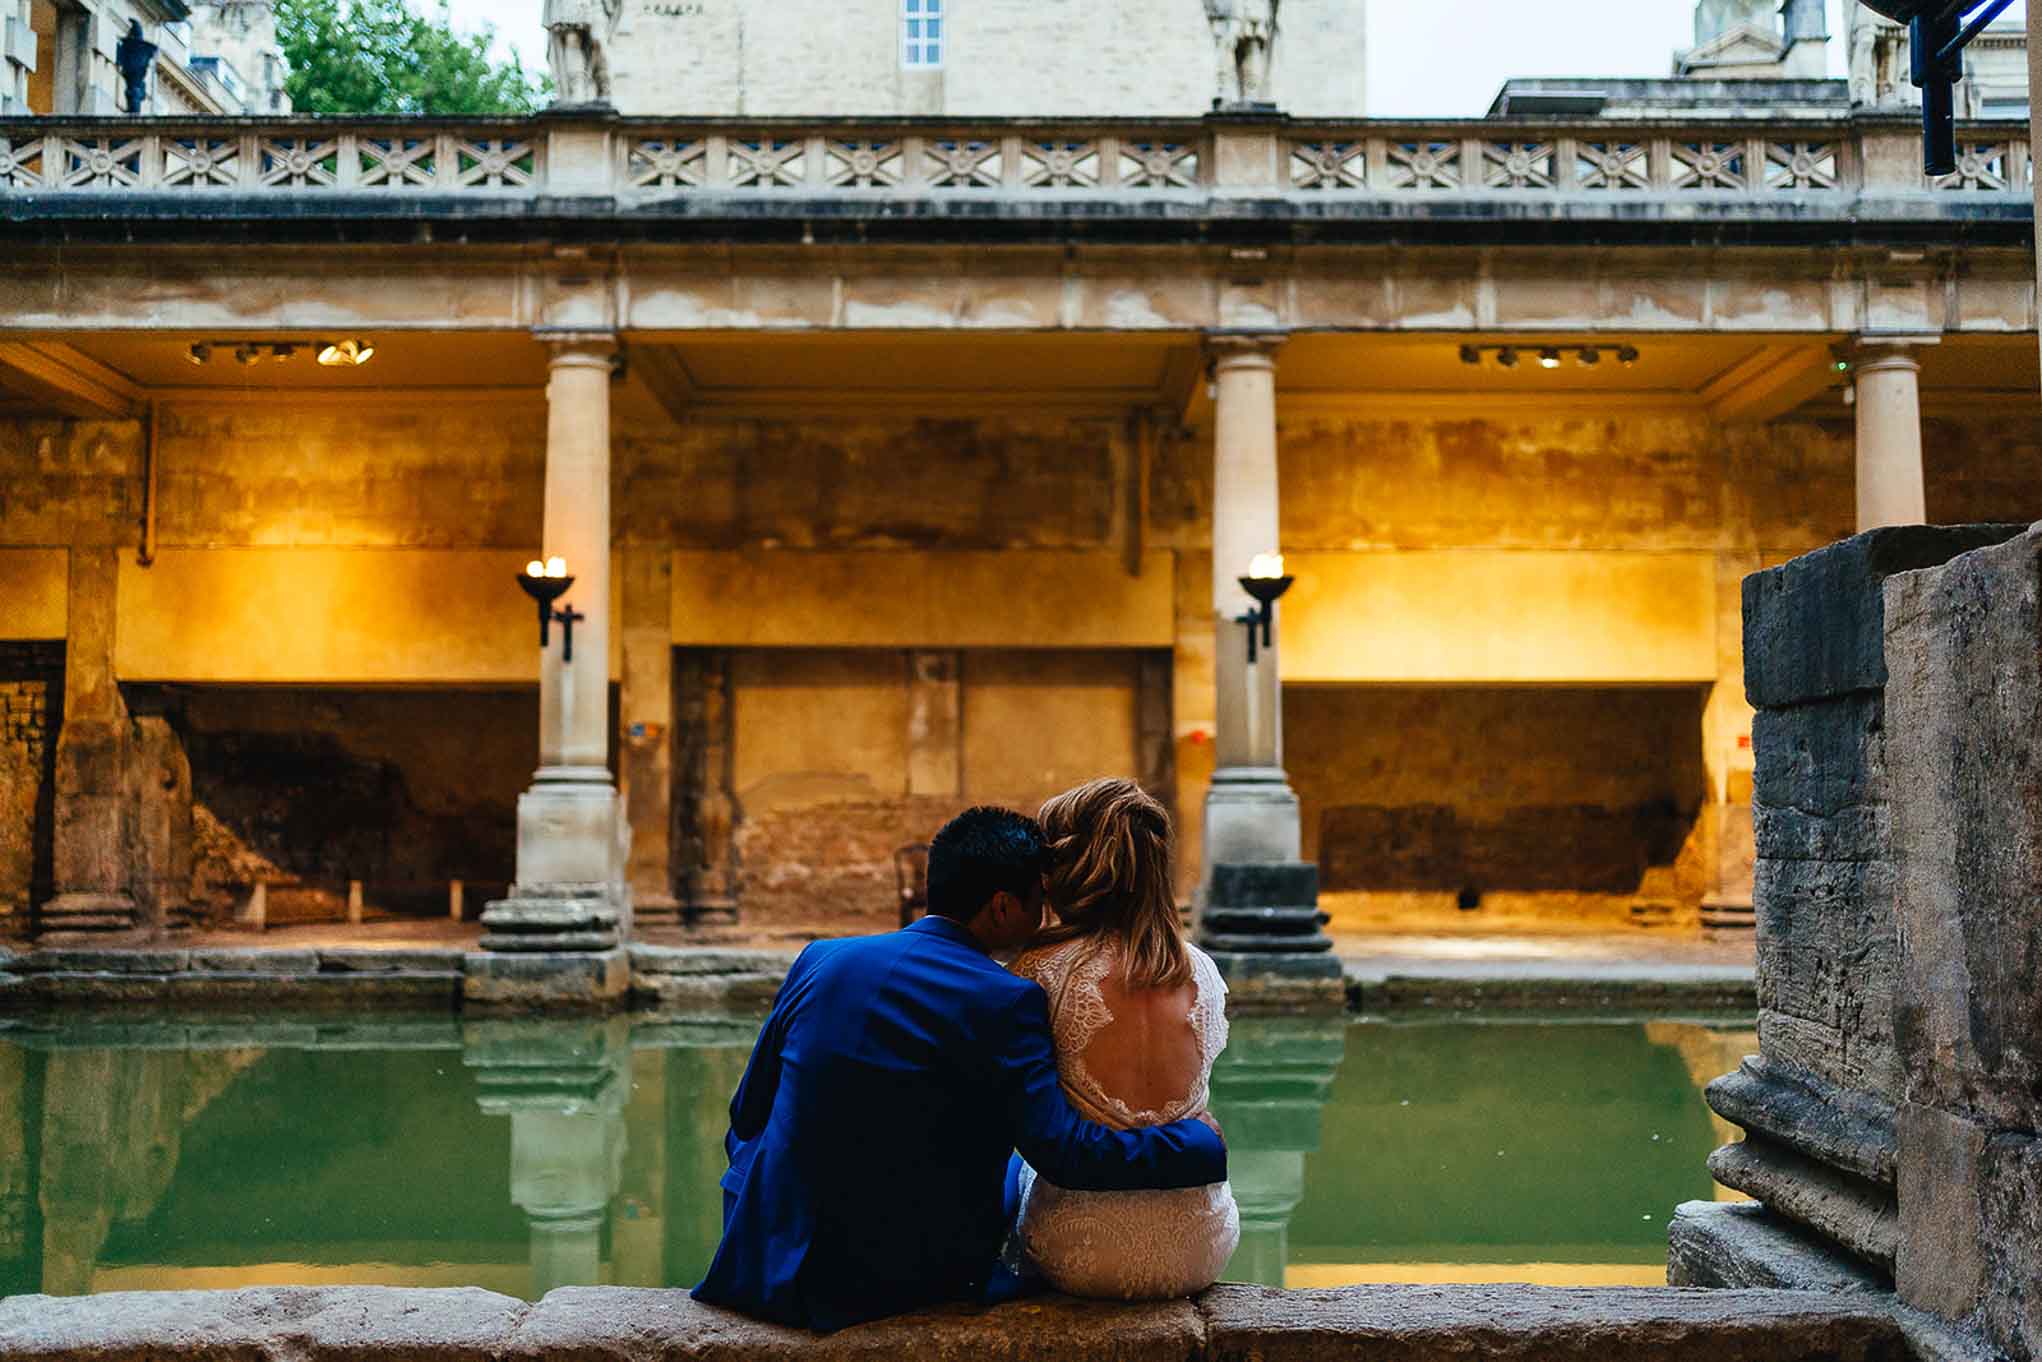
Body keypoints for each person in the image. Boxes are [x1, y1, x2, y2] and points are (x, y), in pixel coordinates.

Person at [692, 805, 1226, 1333]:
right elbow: (1066, 1153)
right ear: (1001, 907)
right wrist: (1197, 1145)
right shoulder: (1005, 997)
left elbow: (747, 1112)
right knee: (1021, 1172)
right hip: (881, 1278)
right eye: (1038, 899)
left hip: (758, 1248)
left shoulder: (821, 958)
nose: (1046, 914)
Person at [1006, 778, 1240, 1298]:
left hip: (1081, 1251)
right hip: (1201, 1243)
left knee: (1012, 1157)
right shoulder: (1201, 968)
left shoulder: (1038, 971)